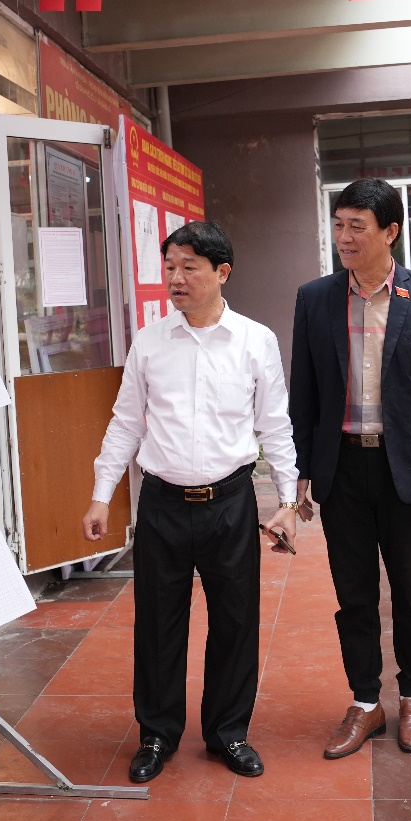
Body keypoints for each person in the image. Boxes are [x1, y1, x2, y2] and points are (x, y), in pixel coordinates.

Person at [83, 221, 300, 783]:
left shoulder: (256, 341)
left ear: (222, 273)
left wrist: (287, 499)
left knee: (235, 622)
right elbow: (126, 422)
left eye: (189, 268)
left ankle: (229, 732)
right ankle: (157, 733)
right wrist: (101, 495)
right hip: (163, 505)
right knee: (158, 623)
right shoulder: (150, 342)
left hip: (230, 502)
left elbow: (275, 424)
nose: (176, 279)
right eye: (170, 267)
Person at [289, 177, 411, 760]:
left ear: (389, 232)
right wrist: (298, 471)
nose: (344, 238)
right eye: (339, 225)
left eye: (357, 227)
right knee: (353, 595)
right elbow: (306, 392)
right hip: (342, 468)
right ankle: (366, 703)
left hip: (410, 470)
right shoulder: (315, 297)